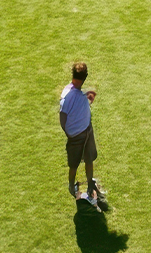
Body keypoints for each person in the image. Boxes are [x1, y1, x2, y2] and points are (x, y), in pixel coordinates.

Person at [60, 62, 103, 205]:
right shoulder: (70, 95)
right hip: (80, 134)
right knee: (84, 161)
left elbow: (64, 116)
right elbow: (63, 116)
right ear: (85, 77)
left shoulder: (70, 92)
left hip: (82, 132)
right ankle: (78, 185)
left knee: (76, 163)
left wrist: (68, 132)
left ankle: (76, 185)